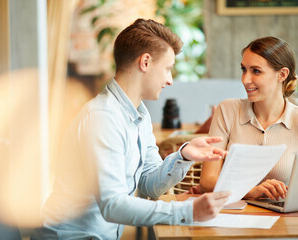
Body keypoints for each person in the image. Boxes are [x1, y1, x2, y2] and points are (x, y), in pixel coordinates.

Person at [32, 19, 230, 240]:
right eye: (167, 69)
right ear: (145, 62)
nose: (170, 80)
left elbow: (150, 186)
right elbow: (112, 205)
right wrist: (187, 212)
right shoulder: (102, 118)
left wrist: (183, 156)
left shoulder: (140, 115)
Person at [200, 36, 298, 201]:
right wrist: (251, 191)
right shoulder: (227, 110)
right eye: (243, 69)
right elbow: (207, 181)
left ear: (282, 74)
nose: (245, 80)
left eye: (256, 71)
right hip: (234, 217)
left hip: (283, 220)